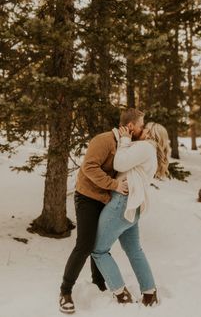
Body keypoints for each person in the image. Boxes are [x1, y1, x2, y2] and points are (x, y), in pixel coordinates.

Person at [59, 108, 145, 314]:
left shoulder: (127, 145)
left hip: (105, 199)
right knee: (85, 244)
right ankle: (65, 291)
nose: (143, 129)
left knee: (100, 244)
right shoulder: (104, 140)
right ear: (131, 126)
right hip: (88, 198)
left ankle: (98, 285)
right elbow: (89, 167)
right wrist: (114, 185)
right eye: (141, 125)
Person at [91, 122, 170, 306]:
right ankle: (149, 292)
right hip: (133, 205)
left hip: (122, 202)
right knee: (134, 250)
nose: (141, 129)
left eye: (145, 127)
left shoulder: (145, 147)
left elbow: (119, 162)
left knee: (98, 250)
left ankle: (120, 293)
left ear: (150, 133)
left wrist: (125, 139)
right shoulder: (151, 152)